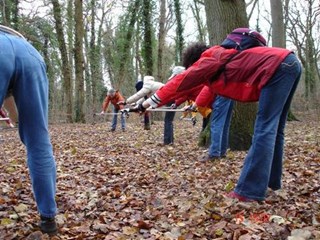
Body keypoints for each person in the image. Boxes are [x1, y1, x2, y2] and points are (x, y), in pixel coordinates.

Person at [138, 28, 302, 202]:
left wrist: (148, 102)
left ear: (195, 61)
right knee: (275, 129)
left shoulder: (211, 57)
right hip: (289, 63)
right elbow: (207, 93)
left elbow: (182, 80)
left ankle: (249, 191)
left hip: (278, 67)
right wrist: (193, 106)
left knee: (265, 128)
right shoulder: (218, 66)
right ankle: (271, 182)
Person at [0, 25, 57, 234]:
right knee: (39, 141)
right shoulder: (20, 43)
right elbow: (18, 114)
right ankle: (48, 219)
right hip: (30, 54)